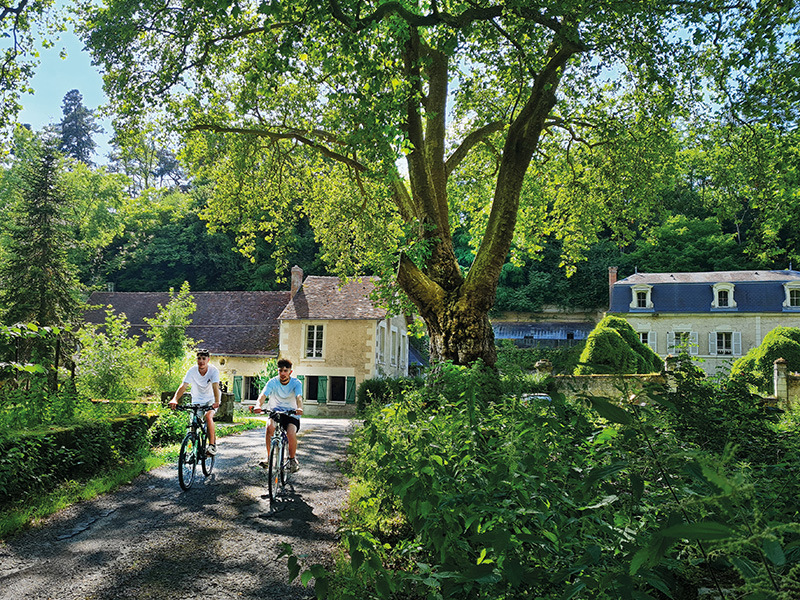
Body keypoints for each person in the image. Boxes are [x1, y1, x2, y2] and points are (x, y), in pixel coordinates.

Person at [254, 358, 304, 472]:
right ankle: (269, 458)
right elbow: (263, 395)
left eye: (285, 371)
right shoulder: (272, 382)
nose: (282, 373)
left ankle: (292, 459)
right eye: (280, 370)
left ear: (290, 372)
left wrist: (299, 407)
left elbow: (298, 397)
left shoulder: (296, 383)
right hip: (275, 412)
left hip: (291, 413)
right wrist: (258, 405)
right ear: (278, 371)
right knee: (269, 427)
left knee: (291, 433)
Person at [169, 348, 221, 455]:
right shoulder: (192, 371)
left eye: (203, 358)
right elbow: (184, 385)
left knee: (208, 416)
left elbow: (215, 386)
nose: (201, 361)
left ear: (208, 360)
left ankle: (212, 446)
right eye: (199, 358)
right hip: (197, 399)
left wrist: (216, 401)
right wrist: (175, 399)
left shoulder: (213, 371)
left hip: (211, 399)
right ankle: (194, 448)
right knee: (193, 423)